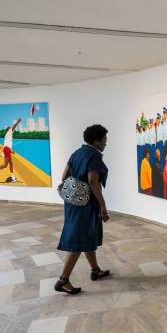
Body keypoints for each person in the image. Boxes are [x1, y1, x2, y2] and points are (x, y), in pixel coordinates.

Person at [56, 124, 111, 295]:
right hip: (86, 205)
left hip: (73, 203)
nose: (106, 143)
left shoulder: (77, 153)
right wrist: (102, 205)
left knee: (86, 235)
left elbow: (64, 176)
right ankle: (63, 280)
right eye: (104, 140)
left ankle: (95, 270)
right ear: (96, 141)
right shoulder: (94, 156)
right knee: (78, 240)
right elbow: (93, 182)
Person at [0, 118, 21, 183]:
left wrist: (10, 151)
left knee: (10, 164)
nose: (12, 130)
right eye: (10, 129)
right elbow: (13, 127)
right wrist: (17, 122)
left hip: (7, 149)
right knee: (6, 164)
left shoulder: (8, 136)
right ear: (8, 130)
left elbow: (7, 146)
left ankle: (12, 177)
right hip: (7, 150)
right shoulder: (8, 133)